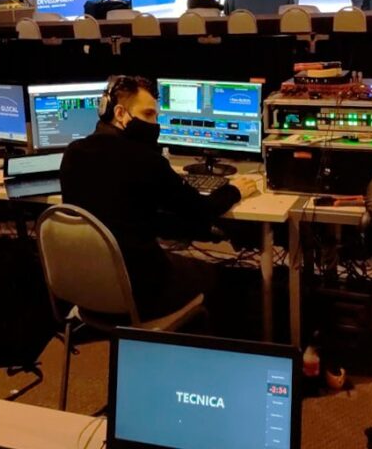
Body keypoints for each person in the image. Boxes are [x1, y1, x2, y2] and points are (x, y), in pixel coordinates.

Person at [60, 76, 259, 320]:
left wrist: (203, 232)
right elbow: (201, 209)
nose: (155, 124)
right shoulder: (146, 161)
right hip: (141, 294)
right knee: (225, 276)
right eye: (148, 114)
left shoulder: (73, 153)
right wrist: (235, 190)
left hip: (87, 292)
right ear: (120, 113)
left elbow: (129, 218)